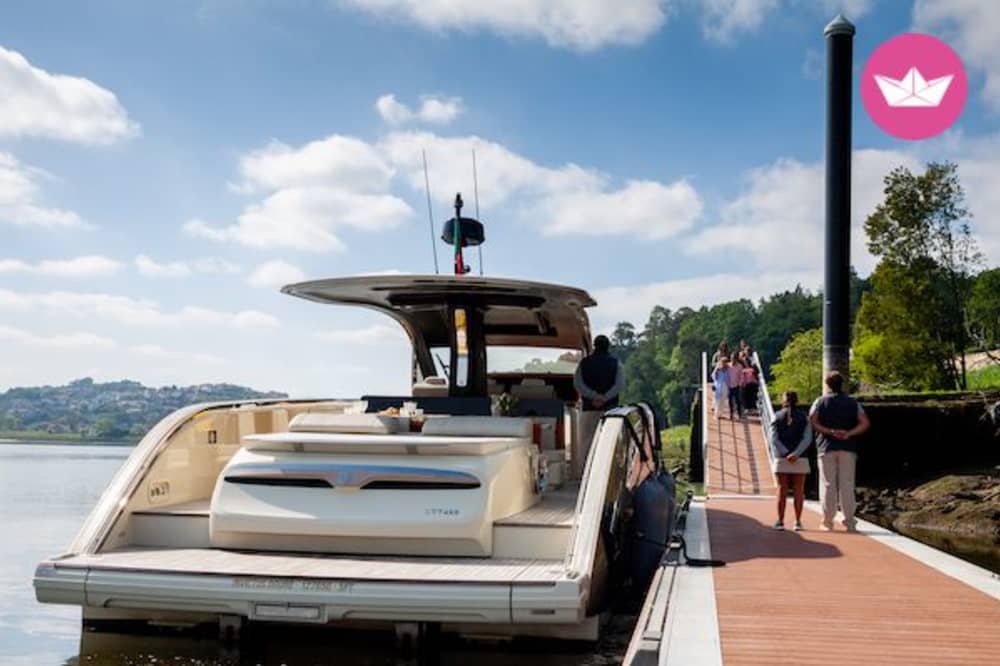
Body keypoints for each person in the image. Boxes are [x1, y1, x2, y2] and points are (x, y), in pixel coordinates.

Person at [809, 372, 871, 532]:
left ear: (828, 384)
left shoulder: (820, 401)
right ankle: (849, 521)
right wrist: (849, 433)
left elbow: (813, 421)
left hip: (826, 446)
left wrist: (829, 431)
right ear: (842, 384)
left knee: (828, 484)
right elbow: (864, 423)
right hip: (848, 446)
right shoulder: (852, 402)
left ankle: (827, 521)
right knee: (847, 484)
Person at [573, 335, 624, 477]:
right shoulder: (616, 363)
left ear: (594, 345)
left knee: (586, 442)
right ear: (608, 346)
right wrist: (605, 397)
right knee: (608, 443)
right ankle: (605, 474)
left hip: (589, 409)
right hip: (610, 410)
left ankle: (585, 474)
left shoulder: (584, 363)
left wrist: (593, 396)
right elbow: (619, 385)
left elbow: (578, 384)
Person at [770, 391, 812, 530]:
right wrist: (796, 453)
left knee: (781, 490)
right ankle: (798, 521)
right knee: (799, 491)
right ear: (797, 400)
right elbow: (807, 439)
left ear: (784, 401)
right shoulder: (804, 418)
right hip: (801, 458)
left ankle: (780, 521)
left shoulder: (776, 416)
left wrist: (786, 453)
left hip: (782, 458)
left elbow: (774, 439)